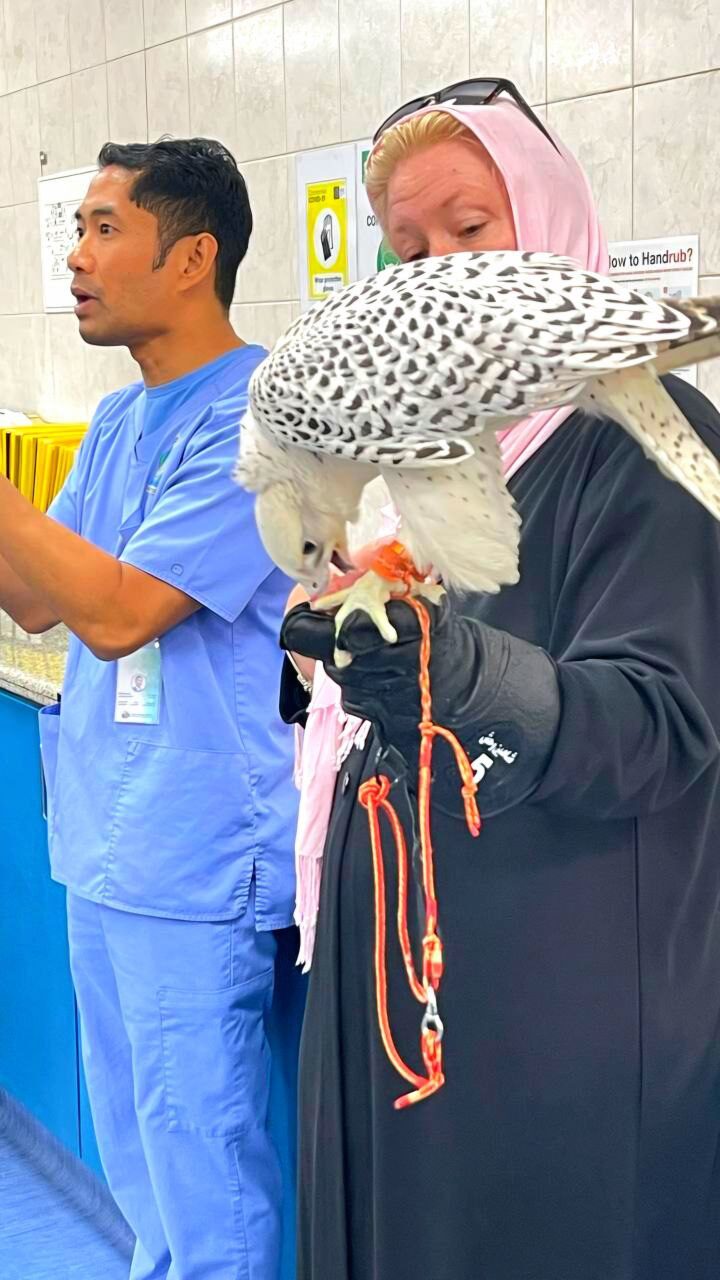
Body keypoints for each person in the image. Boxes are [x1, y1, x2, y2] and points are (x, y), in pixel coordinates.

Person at [281, 81, 720, 1280]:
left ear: (552, 223)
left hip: (557, 1020)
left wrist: (464, 671)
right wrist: (336, 652)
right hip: (420, 997)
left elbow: (659, 722)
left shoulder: (636, 437)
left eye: (471, 228)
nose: (440, 272)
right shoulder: (437, 455)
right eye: (409, 248)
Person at [0, 137, 303, 1279]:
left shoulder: (259, 421)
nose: (76, 258)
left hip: (193, 853)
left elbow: (123, 613)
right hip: (105, 845)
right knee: (143, 1165)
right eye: (76, 230)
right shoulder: (124, 421)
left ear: (192, 258)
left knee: (201, 1168)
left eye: (103, 229)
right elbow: (41, 600)